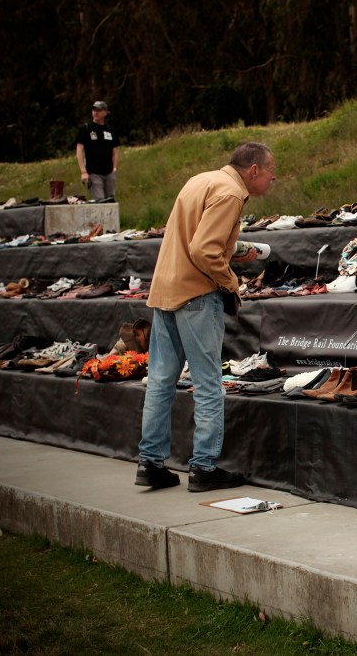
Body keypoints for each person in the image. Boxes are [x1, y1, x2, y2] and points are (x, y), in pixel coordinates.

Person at [135, 142, 276, 492]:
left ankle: (150, 463)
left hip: (166, 288)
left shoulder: (202, 180)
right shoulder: (230, 193)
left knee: (161, 381)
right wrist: (231, 284)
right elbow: (203, 250)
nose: (273, 179)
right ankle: (203, 467)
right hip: (197, 296)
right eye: (271, 172)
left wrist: (234, 250)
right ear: (254, 170)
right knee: (209, 383)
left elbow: (194, 240)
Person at [75, 100, 120, 201]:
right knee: (100, 201)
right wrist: (83, 171)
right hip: (93, 172)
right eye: (94, 110)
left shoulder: (111, 130)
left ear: (105, 112)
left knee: (111, 201)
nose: (96, 112)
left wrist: (114, 168)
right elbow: (79, 149)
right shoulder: (86, 128)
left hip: (109, 172)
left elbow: (115, 152)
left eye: (99, 110)